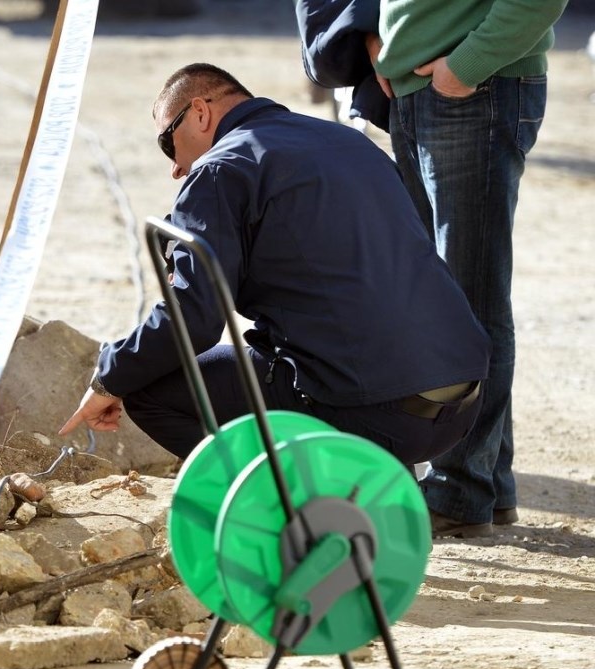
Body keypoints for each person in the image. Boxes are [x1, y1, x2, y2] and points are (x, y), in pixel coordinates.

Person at [58, 63, 490, 478]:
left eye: (167, 143)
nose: (174, 167)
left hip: (377, 409)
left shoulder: (218, 170)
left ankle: (292, 502)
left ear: (200, 112)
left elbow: (194, 319)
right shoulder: (347, 141)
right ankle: (370, 473)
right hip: (462, 398)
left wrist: (110, 378)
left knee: (150, 393)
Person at [364, 0, 567, 538]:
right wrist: (382, 44)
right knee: (444, 302)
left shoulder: (468, 76)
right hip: (422, 89)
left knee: (468, 303)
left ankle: (460, 490)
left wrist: (467, 66)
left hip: (473, 88)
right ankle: (488, 485)